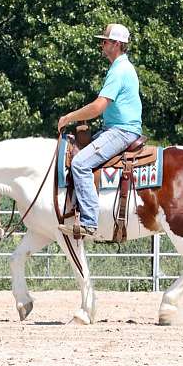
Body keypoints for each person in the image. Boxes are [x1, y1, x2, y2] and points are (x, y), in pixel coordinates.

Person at [57, 23, 142, 238]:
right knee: (76, 152)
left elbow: (98, 107)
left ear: (116, 44)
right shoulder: (121, 67)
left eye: (104, 41)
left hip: (121, 131)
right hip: (117, 128)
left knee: (80, 163)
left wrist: (69, 117)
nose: (101, 44)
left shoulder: (119, 70)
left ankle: (89, 222)